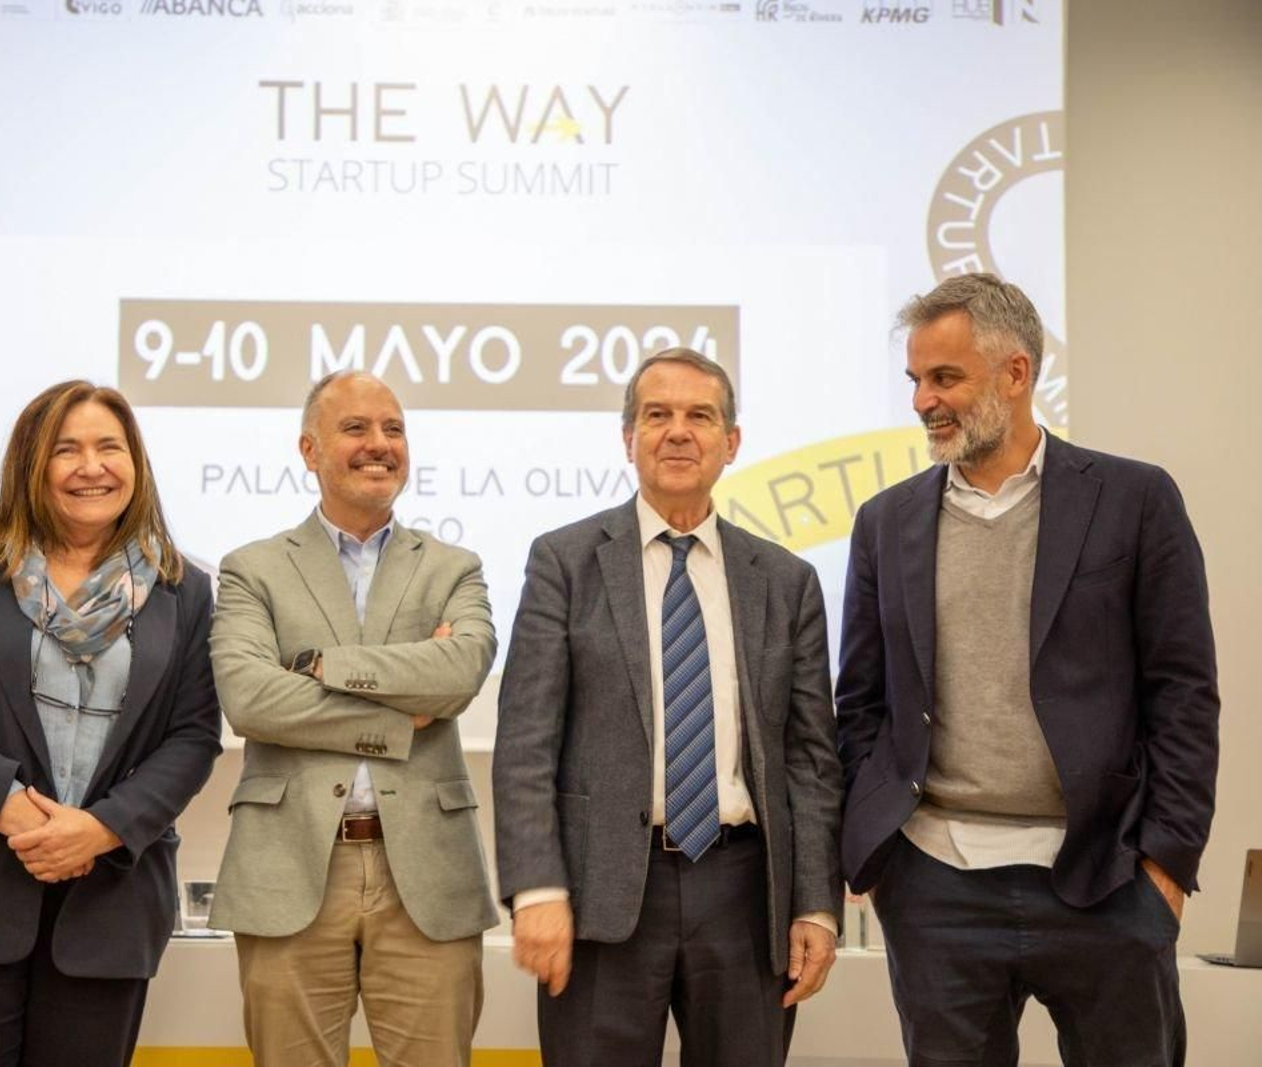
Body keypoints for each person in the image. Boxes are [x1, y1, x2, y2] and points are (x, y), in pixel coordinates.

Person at [835, 273, 1220, 1066]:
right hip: (935, 884)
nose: (921, 401)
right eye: (915, 380)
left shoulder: (1134, 499)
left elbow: (1183, 693)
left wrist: (1165, 868)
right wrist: (877, 857)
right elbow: (861, 702)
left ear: (1016, 373)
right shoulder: (885, 522)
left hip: (1108, 877)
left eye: (945, 377)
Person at [493, 348, 844, 1067]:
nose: (678, 432)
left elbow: (811, 760)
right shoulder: (565, 562)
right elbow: (526, 741)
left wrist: (815, 903)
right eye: (657, 415)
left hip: (747, 895)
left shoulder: (786, 581)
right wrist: (536, 885)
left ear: (731, 442)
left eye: (699, 416)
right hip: (603, 896)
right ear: (628, 438)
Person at [0, 381, 223, 1067]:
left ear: (137, 463)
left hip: (108, 904)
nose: (90, 466)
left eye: (109, 447)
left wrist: (101, 827)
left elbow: (191, 737)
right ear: (31, 465)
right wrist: (10, 809)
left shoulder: (183, 588)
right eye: (66, 449)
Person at [207, 371, 498, 1067]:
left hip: (428, 871)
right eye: (356, 428)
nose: (379, 444)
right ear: (309, 450)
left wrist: (318, 664)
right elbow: (250, 698)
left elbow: (458, 672)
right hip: (290, 866)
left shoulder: (456, 566)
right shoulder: (252, 568)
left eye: (393, 429)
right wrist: (401, 716)